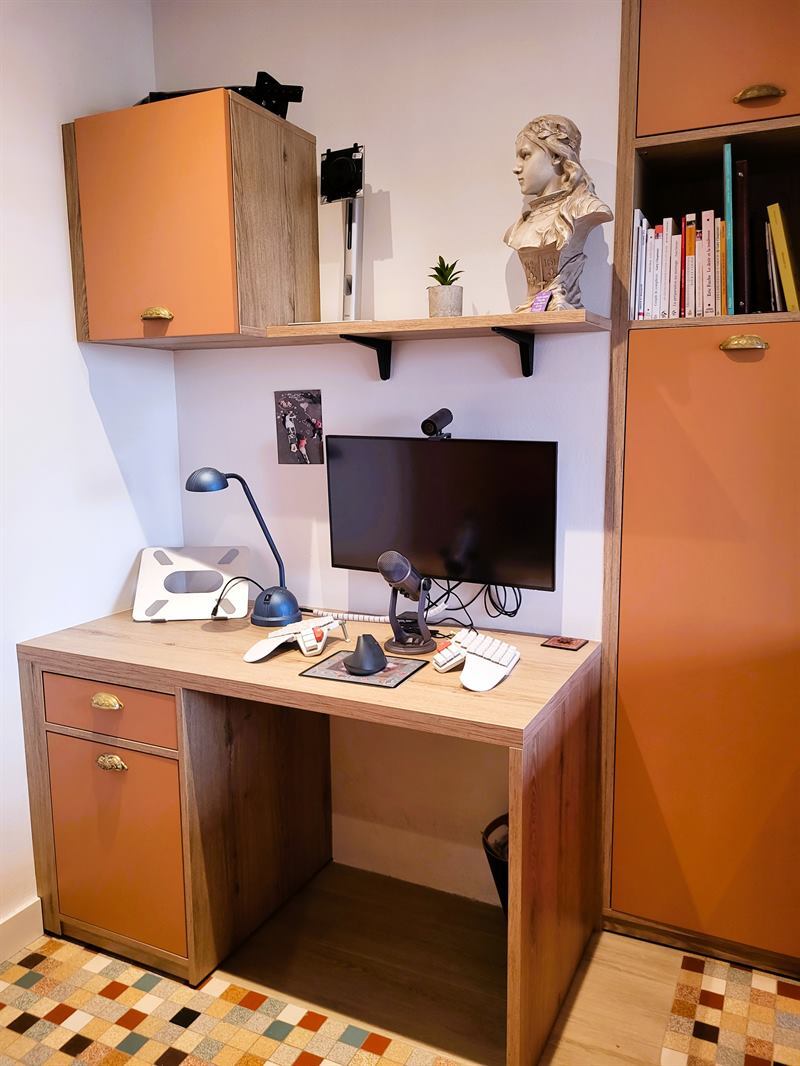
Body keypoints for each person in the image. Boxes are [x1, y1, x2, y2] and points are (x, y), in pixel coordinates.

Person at [503, 114, 612, 311]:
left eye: (525, 155)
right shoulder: (518, 228)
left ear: (556, 156)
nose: (516, 168)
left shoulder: (586, 209)